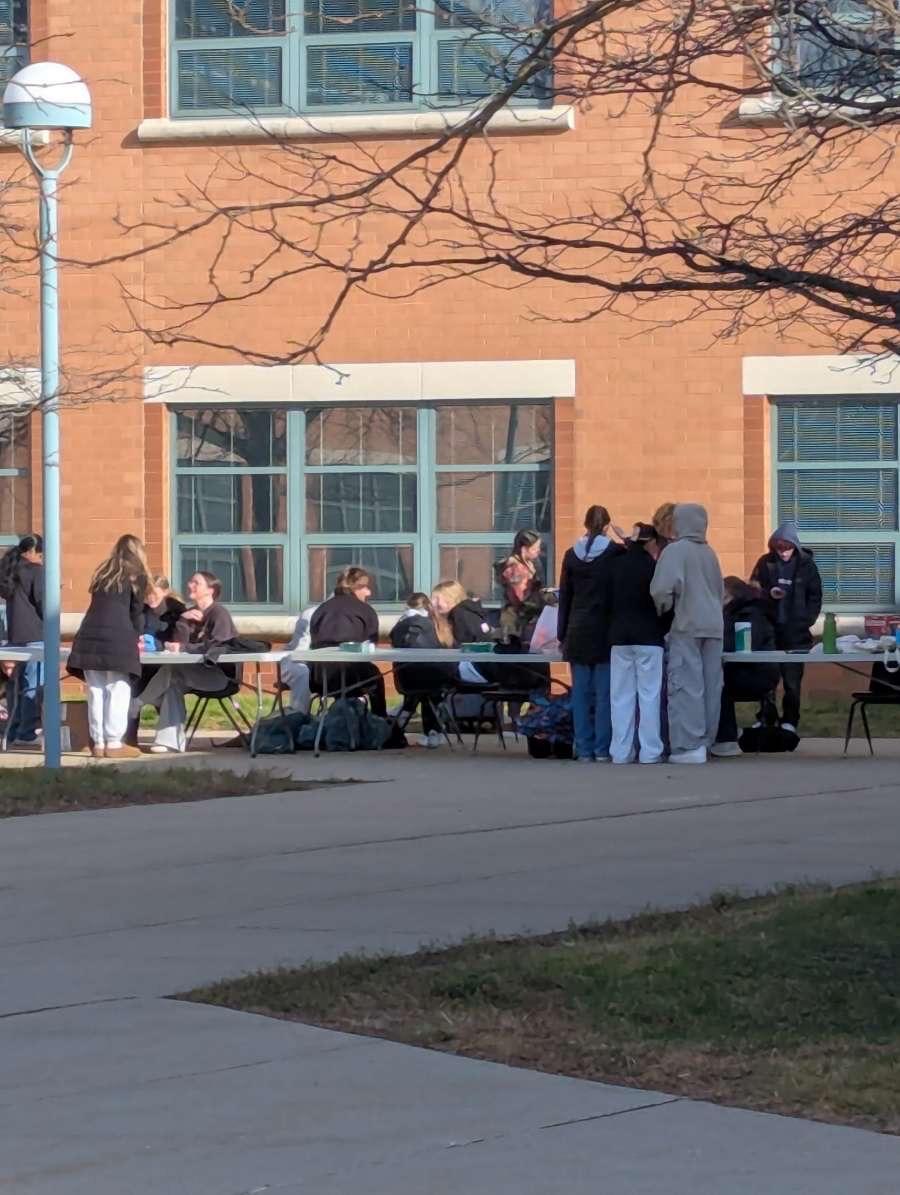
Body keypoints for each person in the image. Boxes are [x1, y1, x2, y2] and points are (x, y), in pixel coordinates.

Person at [129, 570, 238, 753]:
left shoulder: (219, 613)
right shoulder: (189, 614)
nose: (190, 585)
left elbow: (218, 645)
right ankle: (169, 742)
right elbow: (180, 643)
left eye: (196, 583)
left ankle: (137, 703)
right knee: (172, 684)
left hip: (219, 676)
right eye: (190, 581)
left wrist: (182, 648)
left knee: (173, 672)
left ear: (210, 590)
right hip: (192, 672)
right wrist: (183, 620)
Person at [650, 503, 724, 764]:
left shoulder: (675, 551)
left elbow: (661, 590)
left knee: (686, 685)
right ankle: (706, 741)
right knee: (711, 686)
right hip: (714, 627)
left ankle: (688, 745)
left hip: (687, 624)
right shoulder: (710, 553)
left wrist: (664, 609)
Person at [67, 535, 151, 760]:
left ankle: (98, 743)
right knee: (117, 688)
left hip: (88, 637)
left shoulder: (103, 574)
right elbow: (136, 613)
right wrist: (137, 637)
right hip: (117, 639)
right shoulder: (137, 576)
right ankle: (114, 743)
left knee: (95, 690)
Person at [557, 505, 624, 762]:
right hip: (604, 631)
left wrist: (562, 634)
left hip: (577, 630)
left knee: (580, 694)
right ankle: (602, 748)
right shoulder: (614, 553)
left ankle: (584, 748)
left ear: (585, 525)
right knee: (604, 695)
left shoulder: (570, 555)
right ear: (607, 526)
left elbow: (565, 598)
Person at [750, 522, 822, 734]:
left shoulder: (807, 566)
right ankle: (766, 716)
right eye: (779, 548)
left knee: (792, 680)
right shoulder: (765, 563)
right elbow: (753, 589)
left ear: (795, 546)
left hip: (796, 632)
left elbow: (815, 595)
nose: (783, 552)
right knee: (767, 677)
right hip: (770, 629)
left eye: (787, 548)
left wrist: (806, 620)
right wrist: (768, 594)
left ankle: (790, 719)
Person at [608, 524, 669, 764]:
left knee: (620, 697)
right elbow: (665, 603)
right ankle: (650, 751)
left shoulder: (615, 566)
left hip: (619, 638)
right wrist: (663, 627)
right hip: (649, 638)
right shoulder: (654, 568)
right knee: (649, 696)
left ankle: (620, 752)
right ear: (650, 542)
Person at [711, 577, 780, 757]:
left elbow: (745, 646)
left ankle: (727, 738)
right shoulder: (740, 612)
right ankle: (720, 734)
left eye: (723, 597)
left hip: (757, 673)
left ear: (733, 596)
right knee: (713, 681)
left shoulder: (750, 614)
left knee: (717, 685)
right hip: (745, 670)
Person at [309, 567, 387, 717]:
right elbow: (370, 645)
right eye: (365, 587)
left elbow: (314, 642)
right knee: (375, 677)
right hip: (354, 676)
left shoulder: (321, 609)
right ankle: (381, 720)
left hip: (319, 678)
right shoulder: (365, 610)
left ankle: (340, 717)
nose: (369, 593)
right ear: (355, 588)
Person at [391, 593, 456, 748]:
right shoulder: (436, 624)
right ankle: (433, 731)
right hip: (435, 678)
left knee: (416, 693)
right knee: (432, 692)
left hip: (406, 679)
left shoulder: (400, 625)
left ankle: (399, 724)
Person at [0, 533, 44, 748]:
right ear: (33, 552)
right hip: (35, 635)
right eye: (41, 555)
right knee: (33, 685)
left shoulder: (10, 571)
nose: (42, 559)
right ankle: (27, 733)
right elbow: (43, 602)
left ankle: (12, 730)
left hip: (14, 636)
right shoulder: (36, 571)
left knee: (15, 687)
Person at [495, 530, 545, 643]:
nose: (538, 551)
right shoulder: (515, 568)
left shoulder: (530, 564)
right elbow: (520, 597)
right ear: (524, 549)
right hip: (517, 621)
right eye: (535, 548)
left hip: (527, 618)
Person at [280, 604, 319, 714]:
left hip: (327, 665)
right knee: (303, 673)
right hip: (295, 660)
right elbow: (300, 652)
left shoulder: (357, 613)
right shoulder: (311, 614)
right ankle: (299, 716)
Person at [143, 576, 186, 648]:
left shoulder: (177, 613)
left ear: (165, 592)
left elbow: (179, 641)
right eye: (147, 593)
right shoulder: (140, 611)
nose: (150, 597)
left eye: (154, 593)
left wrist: (160, 644)